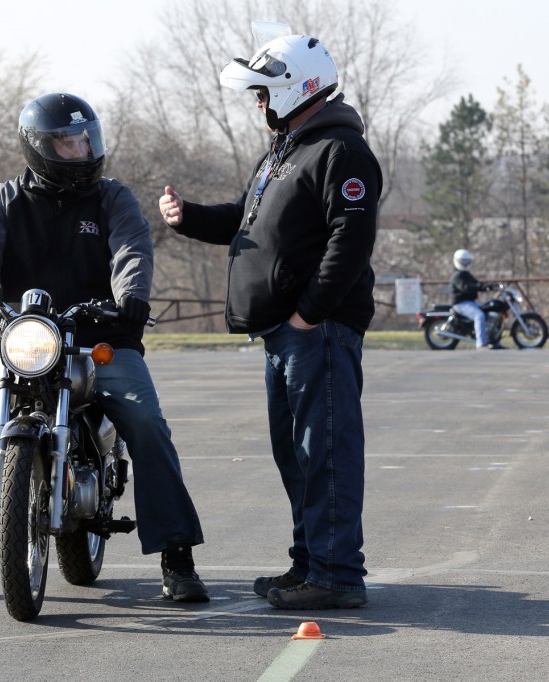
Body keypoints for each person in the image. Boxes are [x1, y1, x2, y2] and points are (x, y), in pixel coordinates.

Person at [0, 93, 208, 604]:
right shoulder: (7, 199)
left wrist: (132, 296)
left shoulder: (113, 198)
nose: (81, 150)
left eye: (85, 139)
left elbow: (131, 249)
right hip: (27, 340)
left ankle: (176, 555)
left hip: (100, 339)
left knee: (146, 423)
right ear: (38, 147)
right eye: (68, 143)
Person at [159, 32, 379, 610]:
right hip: (284, 333)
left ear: (294, 87)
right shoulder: (285, 150)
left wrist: (311, 313)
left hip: (316, 331)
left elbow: (350, 240)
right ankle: (310, 564)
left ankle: (335, 576)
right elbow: (244, 221)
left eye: (262, 93)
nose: (258, 104)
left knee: (324, 451)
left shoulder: (339, 150)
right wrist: (189, 219)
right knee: (297, 454)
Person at [449, 249, 496, 349]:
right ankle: (481, 343)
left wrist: (490, 286)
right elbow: (466, 287)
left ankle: (494, 341)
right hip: (461, 303)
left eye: (467, 261)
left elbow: (477, 283)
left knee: (489, 312)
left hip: (471, 302)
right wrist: (478, 287)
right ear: (457, 261)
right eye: (463, 261)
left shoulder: (467, 274)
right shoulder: (457, 275)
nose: (465, 264)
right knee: (479, 315)